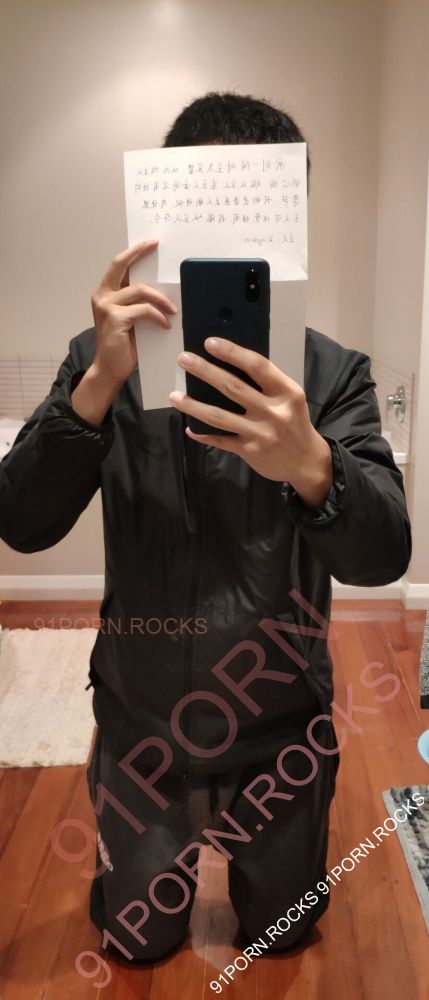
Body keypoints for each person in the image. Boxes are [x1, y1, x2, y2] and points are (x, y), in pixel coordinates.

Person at [0, 91, 412, 964]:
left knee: (283, 936)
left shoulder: (329, 376)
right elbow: (22, 525)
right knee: (135, 942)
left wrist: (312, 464)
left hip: (280, 717)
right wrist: (95, 390)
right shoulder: (97, 362)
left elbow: (383, 557)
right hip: (141, 716)